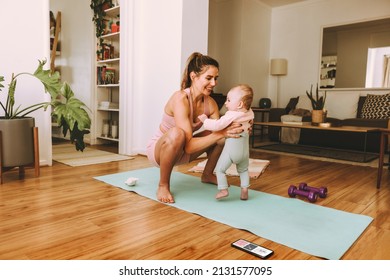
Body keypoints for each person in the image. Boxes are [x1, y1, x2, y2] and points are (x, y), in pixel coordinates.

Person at [146, 52, 244, 203]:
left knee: (220, 134)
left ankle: (207, 174)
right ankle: (163, 184)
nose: (214, 83)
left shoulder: (210, 103)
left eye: (216, 78)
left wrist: (240, 128)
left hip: (183, 150)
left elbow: (221, 132)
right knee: (179, 134)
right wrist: (221, 133)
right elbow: (190, 146)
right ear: (193, 76)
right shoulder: (180, 98)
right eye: (209, 78)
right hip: (161, 151)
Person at [198, 84, 254, 200]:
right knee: (243, 170)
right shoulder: (250, 113)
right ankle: (244, 190)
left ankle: (223, 190)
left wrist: (205, 120)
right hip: (244, 152)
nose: (225, 103)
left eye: (228, 100)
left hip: (232, 150)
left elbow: (217, 125)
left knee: (220, 169)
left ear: (239, 104)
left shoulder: (231, 115)